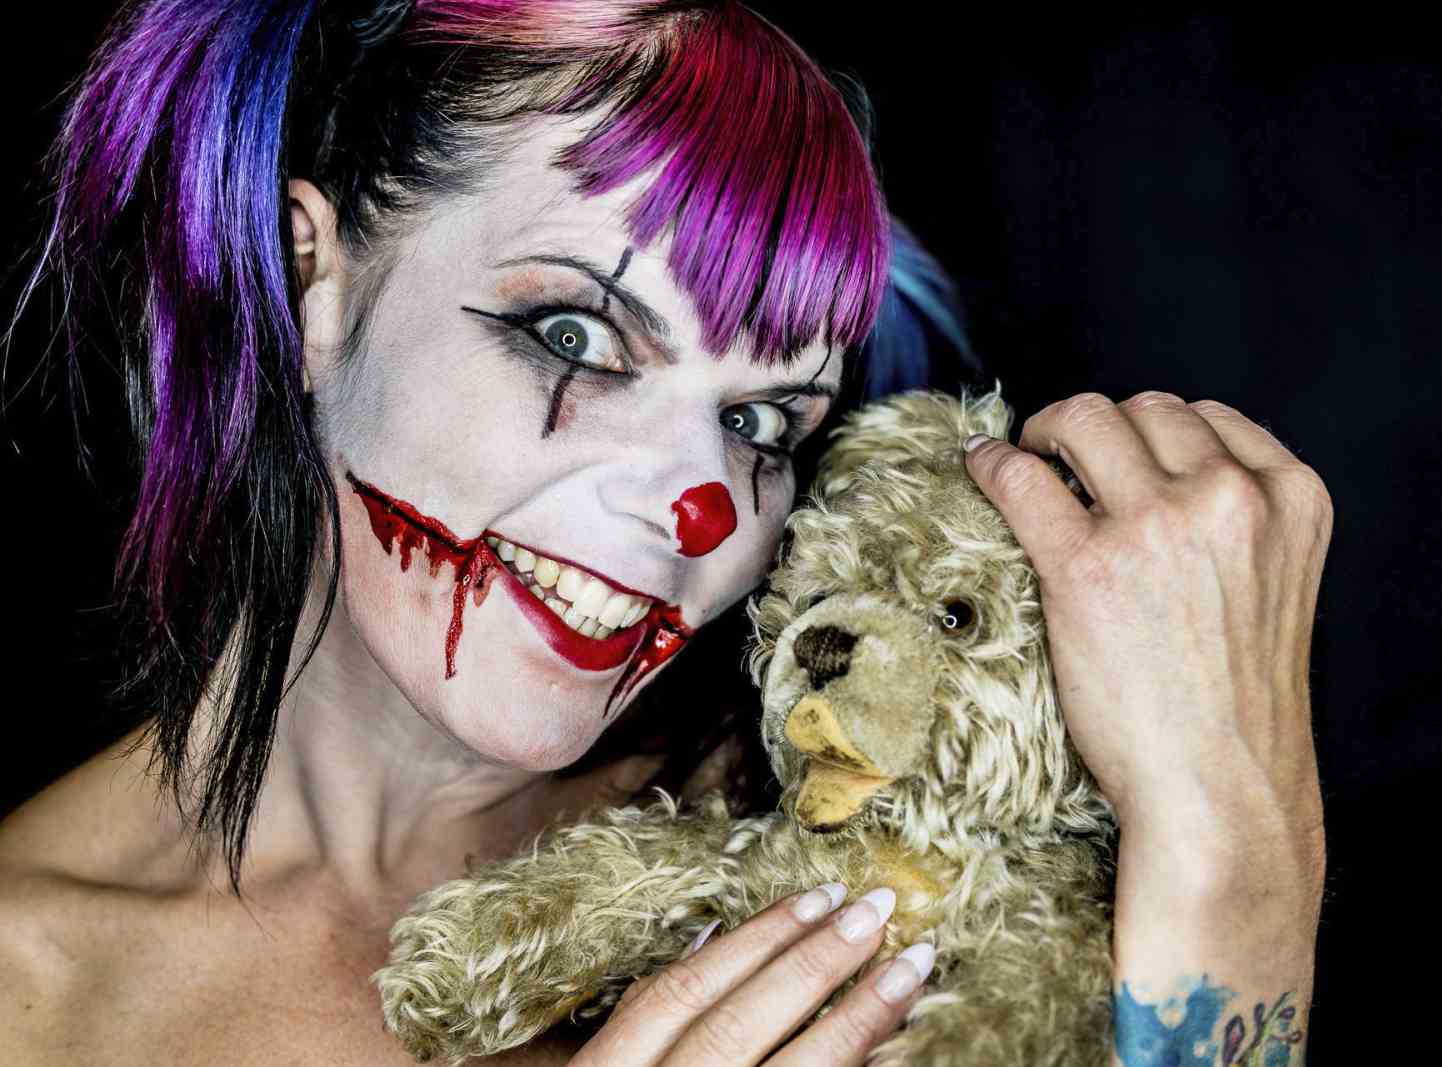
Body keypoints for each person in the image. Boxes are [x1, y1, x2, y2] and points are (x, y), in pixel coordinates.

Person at [0, 1, 1332, 1064]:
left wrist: (1235, 843)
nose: (699, 506)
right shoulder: (32, 993)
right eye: (574, 336)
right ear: (307, 283)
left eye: (759, 423)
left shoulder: (833, 810)